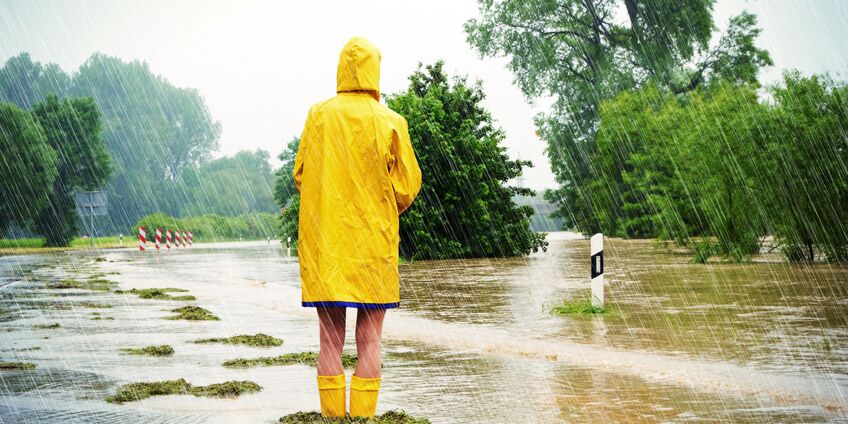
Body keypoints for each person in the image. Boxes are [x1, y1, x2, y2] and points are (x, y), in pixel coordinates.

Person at [293, 36, 422, 418]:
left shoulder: (319, 116)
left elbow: (301, 175)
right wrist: (381, 203)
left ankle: (333, 420)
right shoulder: (391, 122)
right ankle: (364, 419)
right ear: (375, 72)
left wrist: (329, 197)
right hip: (373, 247)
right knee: (370, 340)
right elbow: (408, 185)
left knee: (329, 340)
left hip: (326, 246)